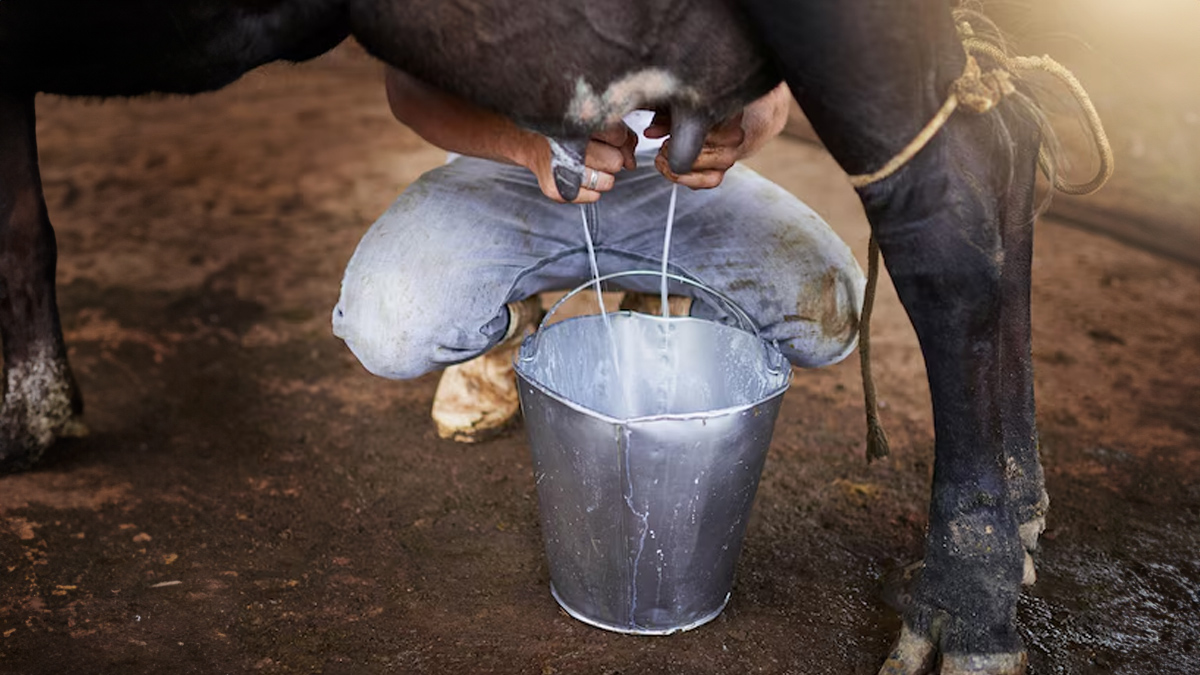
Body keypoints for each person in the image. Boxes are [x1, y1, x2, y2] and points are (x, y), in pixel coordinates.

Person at [332, 67, 865, 442]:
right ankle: (511, 331)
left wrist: (736, 136)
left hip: (673, 184)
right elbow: (407, 89)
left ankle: (668, 317)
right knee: (388, 329)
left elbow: (773, 95)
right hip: (510, 169)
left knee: (830, 316)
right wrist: (528, 143)